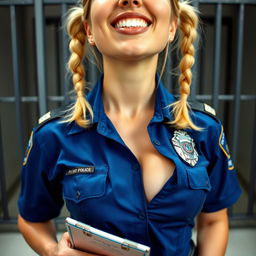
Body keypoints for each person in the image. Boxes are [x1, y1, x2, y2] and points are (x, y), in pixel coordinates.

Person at [17, 0, 242, 255]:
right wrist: (52, 250)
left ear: (172, 27)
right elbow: (31, 219)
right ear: (89, 30)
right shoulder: (52, 135)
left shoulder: (204, 128)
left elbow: (213, 220)